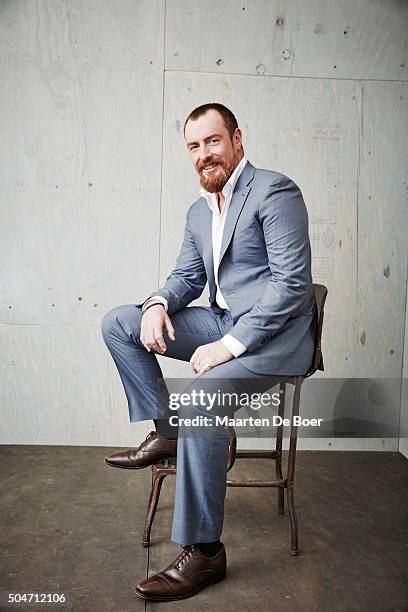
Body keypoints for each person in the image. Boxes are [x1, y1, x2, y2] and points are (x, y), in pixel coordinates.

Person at [101, 103, 321, 602]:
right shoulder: (200, 211)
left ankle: (204, 552)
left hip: (276, 336)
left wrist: (227, 346)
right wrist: (157, 304)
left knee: (202, 400)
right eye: (194, 146)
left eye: (213, 141)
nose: (204, 154)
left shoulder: (274, 191)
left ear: (237, 140)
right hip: (222, 320)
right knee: (121, 321)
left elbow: (291, 286)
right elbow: (186, 277)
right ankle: (168, 432)